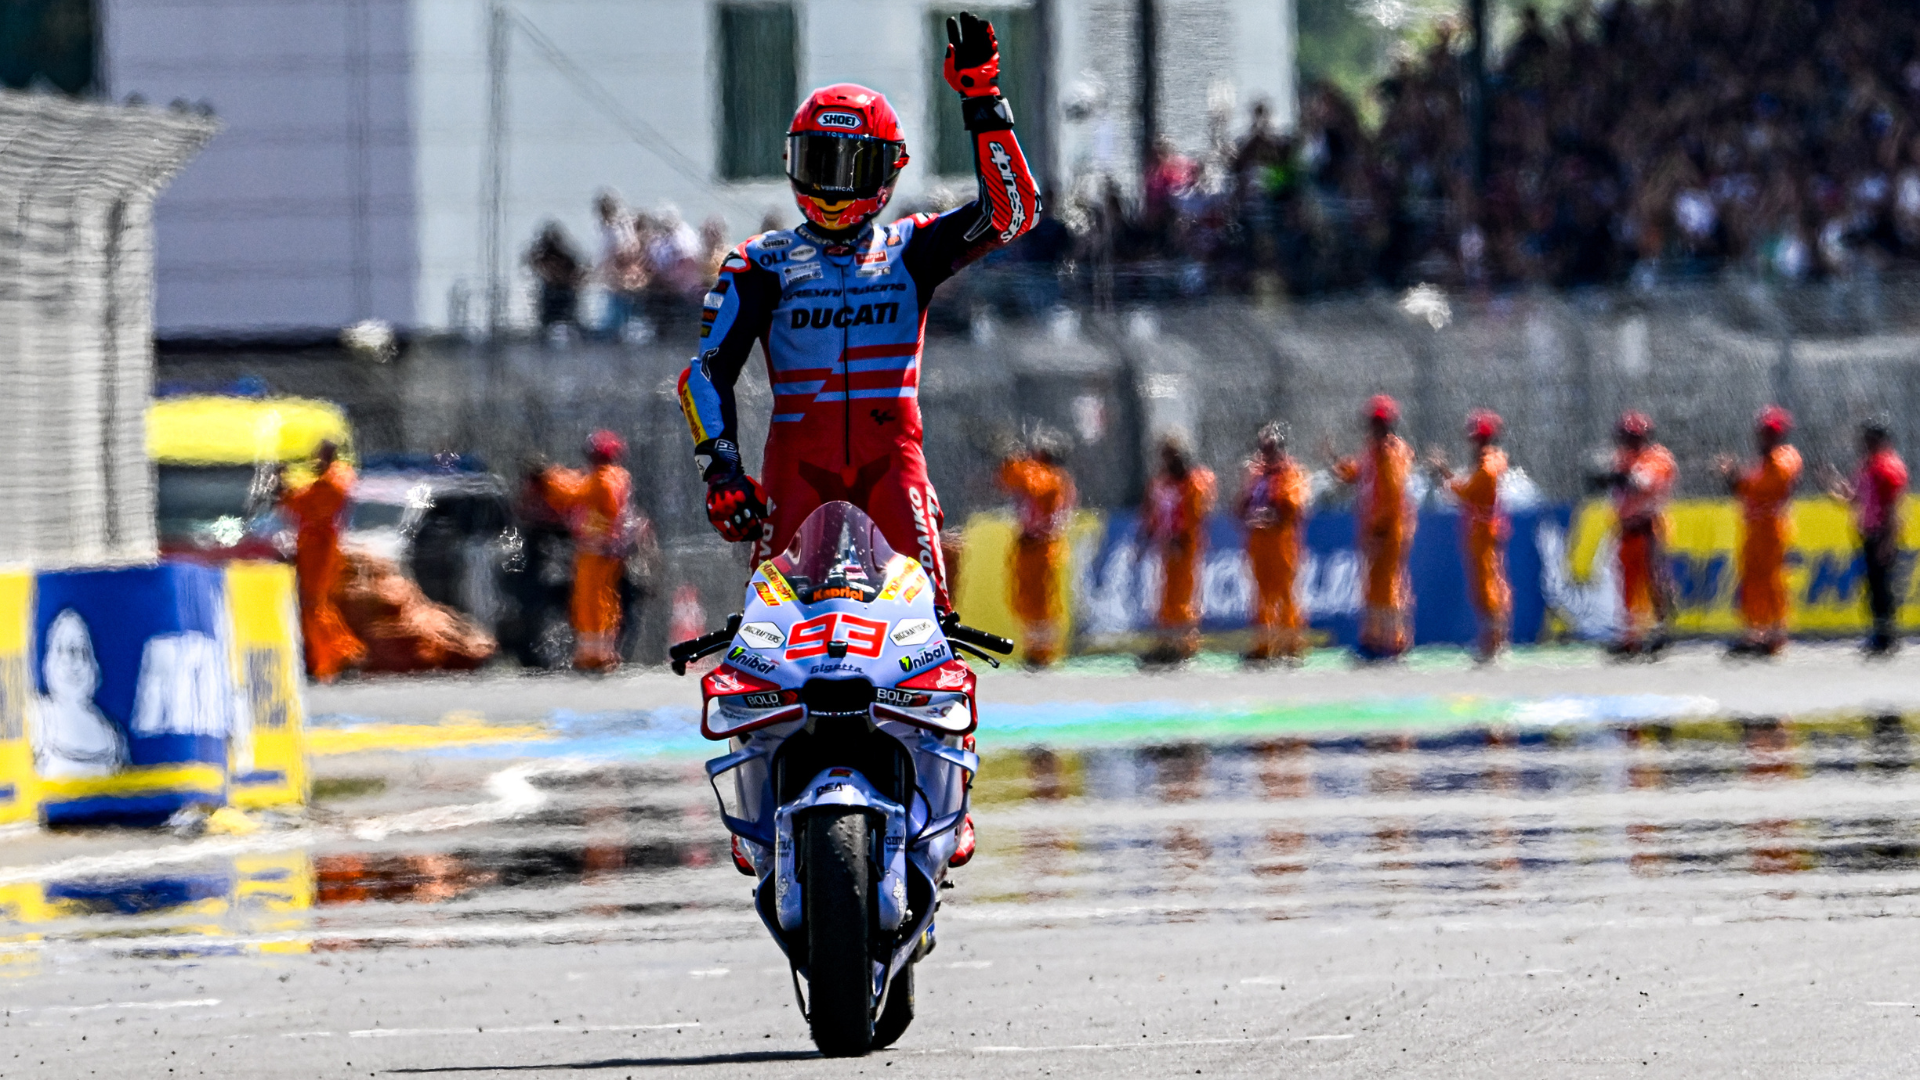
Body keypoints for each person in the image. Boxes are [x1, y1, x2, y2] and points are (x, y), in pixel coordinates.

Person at [677, 11, 1040, 615]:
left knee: (928, 623)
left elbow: (1013, 215)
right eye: (820, 162)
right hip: (796, 468)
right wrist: (723, 473)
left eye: (851, 165)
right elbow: (705, 374)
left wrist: (983, 99)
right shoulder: (758, 262)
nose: (832, 185)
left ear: (887, 172)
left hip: (893, 465)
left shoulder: (912, 248)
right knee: (769, 627)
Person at [534, 431, 636, 672]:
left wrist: (547, 477)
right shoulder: (617, 477)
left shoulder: (601, 480)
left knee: (589, 601)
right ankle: (601, 651)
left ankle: (594, 654)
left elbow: (572, 492)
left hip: (596, 549)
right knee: (606, 600)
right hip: (608, 550)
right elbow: (577, 483)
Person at [1330, 395, 1417, 660]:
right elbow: (1359, 475)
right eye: (1373, 423)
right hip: (1373, 527)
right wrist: (1338, 463)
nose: (1376, 428)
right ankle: (1374, 640)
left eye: (1381, 423)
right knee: (1374, 585)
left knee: (1388, 585)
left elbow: (1393, 496)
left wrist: (1380, 529)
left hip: (1389, 529)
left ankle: (1392, 642)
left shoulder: (1391, 452)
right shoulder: (1372, 450)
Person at [1717, 406, 1802, 657]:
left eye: (1772, 433)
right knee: (1751, 580)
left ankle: (1776, 633)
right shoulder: (1761, 462)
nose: (1766, 438)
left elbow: (1766, 486)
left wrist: (1740, 478)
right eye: (1764, 433)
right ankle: (1754, 632)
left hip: (1773, 528)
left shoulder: (1785, 457)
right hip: (1753, 528)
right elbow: (1744, 489)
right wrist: (1731, 476)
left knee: (1772, 581)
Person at [278, 440, 367, 681]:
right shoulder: (327, 478)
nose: (318, 460)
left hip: (322, 546)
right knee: (315, 603)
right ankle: (334, 656)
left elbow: (313, 503)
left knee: (314, 602)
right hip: (312, 546)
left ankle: (341, 653)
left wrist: (288, 490)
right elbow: (300, 502)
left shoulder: (337, 476)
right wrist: (286, 488)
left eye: (321, 455)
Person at [1431, 409, 1511, 662]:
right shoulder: (1484, 462)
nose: (1475, 444)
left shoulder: (1489, 462)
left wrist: (1447, 477)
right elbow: (1467, 489)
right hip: (1478, 530)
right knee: (1483, 586)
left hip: (1486, 531)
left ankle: (1494, 641)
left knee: (1489, 586)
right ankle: (1492, 638)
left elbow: (1470, 490)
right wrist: (1447, 476)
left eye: (1480, 439)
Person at [1824, 421, 1908, 656]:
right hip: (1867, 532)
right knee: (1872, 586)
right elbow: (1855, 498)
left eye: (1871, 440)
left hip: (1882, 532)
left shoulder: (1887, 467)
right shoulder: (1866, 467)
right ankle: (1878, 632)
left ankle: (1886, 636)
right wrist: (1833, 488)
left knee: (1883, 587)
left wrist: (1888, 539)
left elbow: (1893, 505)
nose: (1866, 444)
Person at [1603, 411, 1678, 657]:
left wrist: (1618, 475)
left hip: (1649, 527)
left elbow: (1642, 482)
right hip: (1627, 529)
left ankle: (1661, 631)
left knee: (1654, 579)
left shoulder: (1658, 458)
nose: (1629, 442)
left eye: (1634, 437)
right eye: (1625, 436)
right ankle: (1630, 637)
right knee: (1626, 584)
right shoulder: (1622, 458)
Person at [997, 432, 1075, 667]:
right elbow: (1007, 479)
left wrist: (1017, 459)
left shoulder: (1055, 479)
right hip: (1027, 545)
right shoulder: (1038, 473)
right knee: (1024, 598)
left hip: (1044, 546)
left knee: (1043, 600)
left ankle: (1045, 651)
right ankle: (1033, 648)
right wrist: (1009, 459)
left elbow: (1032, 484)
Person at [1237, 422, 1310, 663]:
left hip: (1281, 543)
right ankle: (1264, 645)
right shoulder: (1256, 475)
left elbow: (1293, 506)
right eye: (1263, 448)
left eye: (1271, 448)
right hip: (1259, 543)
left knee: (1285, 594)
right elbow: (1241, 506)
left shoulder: (1290, 473)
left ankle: (1290, 645)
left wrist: (1269, 514)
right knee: (1261, 596)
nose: (1266, 453)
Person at [1142, 435, 1217, 664]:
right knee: (1166, 596)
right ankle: (1166, 644)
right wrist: (1151, 534)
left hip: (1186, 547)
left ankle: (1184, 645)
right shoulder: (1162, 483)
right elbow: (1153, 513)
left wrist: (1180, 538)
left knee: (1184, 596)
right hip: (1166, 547)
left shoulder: (1194, 482)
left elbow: (1197, 515)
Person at [526, 223, 584, 332]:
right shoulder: (544, 255)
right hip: (552, 289)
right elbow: (532, 261)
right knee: (549, 318)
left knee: (566, 317)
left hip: (563, 289)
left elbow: (577, 269)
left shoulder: (564, 255)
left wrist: (572, 281)